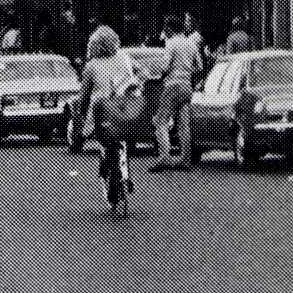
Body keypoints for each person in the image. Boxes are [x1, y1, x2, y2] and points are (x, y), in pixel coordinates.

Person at [78, 28, 143, 217]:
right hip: (125, 110)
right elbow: (138, 77)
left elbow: (84, 96)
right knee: (123, 139)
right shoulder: (124, 58)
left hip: (103, 113)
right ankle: (125, 174)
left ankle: (108, 167)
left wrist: (83, 116)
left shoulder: (91, 66)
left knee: (104, 141)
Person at [148, 14, 203, 172]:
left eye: (166, 27)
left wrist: (158, 74)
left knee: (160, 121)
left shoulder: (170, 43)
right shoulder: (191, 44)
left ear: (170, 28)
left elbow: (165, 67)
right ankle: (185, 159)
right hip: (187, 87)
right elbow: (199, 67)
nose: (164, 30)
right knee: (183, 124)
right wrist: (186, 72)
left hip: (173, 86)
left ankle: (164, 157)